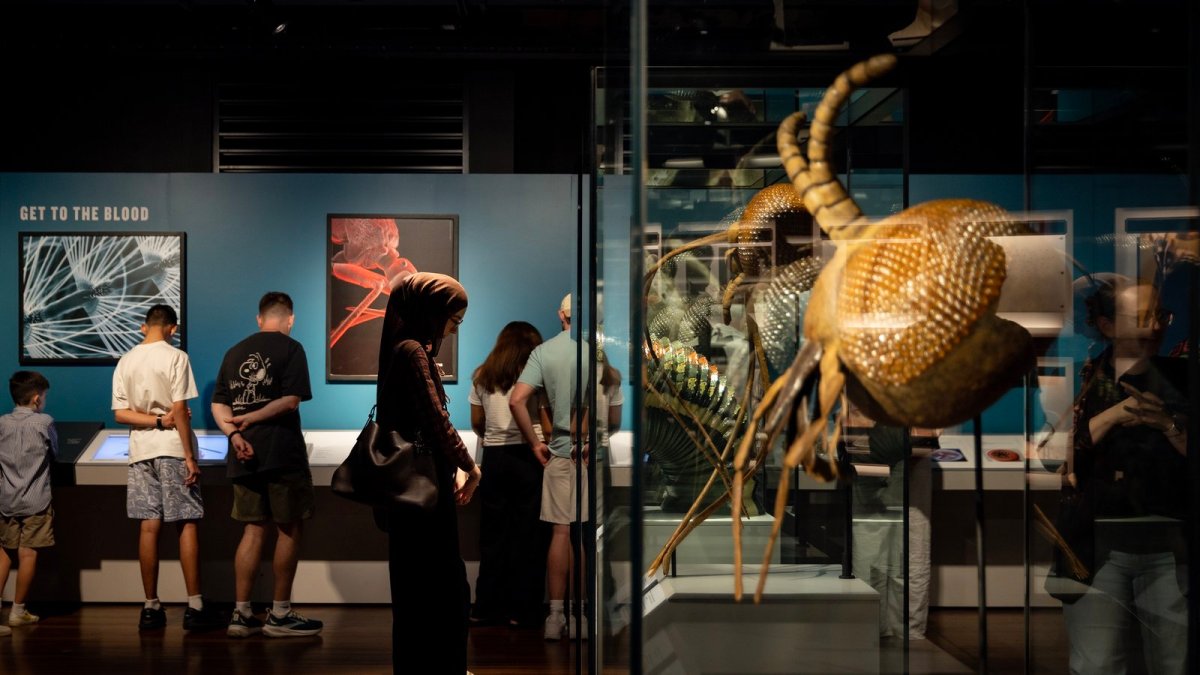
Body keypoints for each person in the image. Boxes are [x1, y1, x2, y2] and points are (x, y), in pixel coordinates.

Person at [1062, 279, 1189, 675]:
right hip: (1100, 545)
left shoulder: (1182, 378)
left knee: (1174, 661)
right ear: (1107, 325)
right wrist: (1115, 415)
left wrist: (1169, 425)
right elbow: (1064, 456)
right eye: (1141, 318)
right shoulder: (1088, 376)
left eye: (1160, 316)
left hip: (1172, 545)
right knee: (1097, 663)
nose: (1154, 327)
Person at [376, 272, 481, 674]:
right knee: (443, 587)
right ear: (430, 311)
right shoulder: (412, 352)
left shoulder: (399, 348)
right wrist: (469, 467)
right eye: (452, 321)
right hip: (424, 495)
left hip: (412, 490)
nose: (453, 331)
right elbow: (437, 422)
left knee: (417, 587)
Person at [211, 292, 321, 638]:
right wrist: (253, 419)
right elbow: (290, 401)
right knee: (288, 528)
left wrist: (234, 434)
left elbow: (220, 404)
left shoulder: (234, 352)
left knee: (253, 529)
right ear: (290, 319)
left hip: (243, 454)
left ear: (260, 319)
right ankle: (280, 614)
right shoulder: (292, 349)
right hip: (282, 453)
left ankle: (241, 614)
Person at [112, 304, 222, 632]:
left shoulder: (126, 360)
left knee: (148, 528)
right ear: (172, 328)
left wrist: (155, 421)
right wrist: (189, 456)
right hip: (173, 450)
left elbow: (121, 414)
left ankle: (150, 606)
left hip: (140, 451)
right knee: (186, 525)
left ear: (144, 326)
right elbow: (179, 411)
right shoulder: (176, 357)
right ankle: (195, 604)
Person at [509, 293, 590, 641]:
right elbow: (612, 409)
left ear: (561, 315)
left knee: (560, 533)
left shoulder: (544, 352)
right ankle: (582, 614)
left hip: (558, 452)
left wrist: (534, 443)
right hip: (587, 453)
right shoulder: (598, 353)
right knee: (582, 535)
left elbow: (517, 400)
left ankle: (555, 616)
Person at [468, 321, 552, 628]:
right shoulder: (537, 376)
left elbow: (477, 420)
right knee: (528, 536)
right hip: (531, 456)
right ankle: (524, 609)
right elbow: (548, 422)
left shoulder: (483, 374)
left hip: (495, 456)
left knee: (493, 536)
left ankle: (486, 606)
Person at [0, 371, 57, 636]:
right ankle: (18, 610)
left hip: (7, 500)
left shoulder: (2, 423)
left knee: (3, 553)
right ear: (36, 398)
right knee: (28, 553)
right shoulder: (44, 422)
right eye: (43, 396)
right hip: (36, 501)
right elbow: (55, 451)